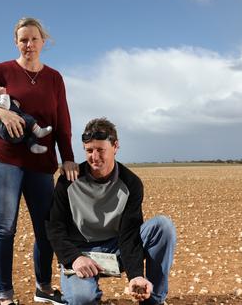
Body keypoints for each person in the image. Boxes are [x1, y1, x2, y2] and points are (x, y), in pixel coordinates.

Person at [0, 17, 79, 305]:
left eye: (34, 39)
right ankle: (5, 295)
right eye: (23, 39)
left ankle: (43, 288)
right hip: (4, 158)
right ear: (16, 42)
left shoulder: (54, 78)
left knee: (46, 227)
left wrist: (69, 159)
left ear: (43, 41)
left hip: (40, 162)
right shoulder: (0, 71)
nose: (29, 44)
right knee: (5, 227)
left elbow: (62, 122)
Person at [47, 117, 177, 305]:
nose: (94, 156)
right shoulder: (68, 181)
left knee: (163, 226)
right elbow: (54, 227)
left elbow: (130, 234)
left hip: (116, 249)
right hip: (81, 253)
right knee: (81, 300)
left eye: (101, 150)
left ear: (115, 146)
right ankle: (88, 292)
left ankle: (152, 299)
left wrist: (136, 276)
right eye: (89, 150)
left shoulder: (131, 183)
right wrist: (74, 258)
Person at [0, 78, 53, 154]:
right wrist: (3, 94)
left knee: (28, 134)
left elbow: (8, 105)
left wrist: (14, 103)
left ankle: (33, 146)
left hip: (13, 131)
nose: (0, 87)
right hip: (7, 129)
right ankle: (39, 131)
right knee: (27, 118)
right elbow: (4, 106)